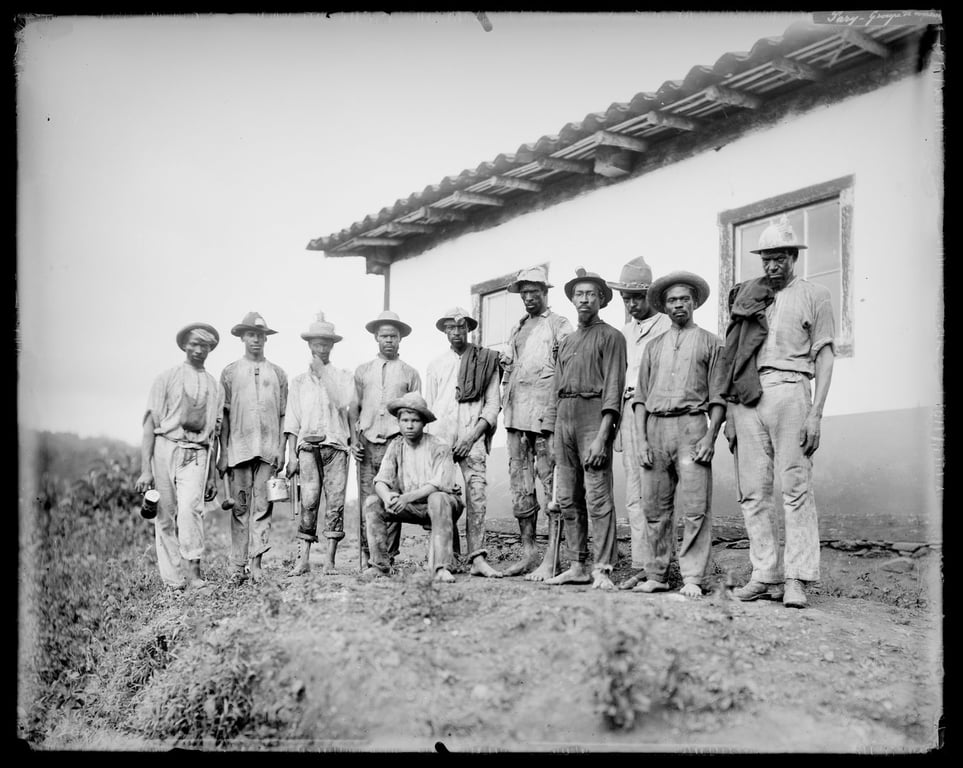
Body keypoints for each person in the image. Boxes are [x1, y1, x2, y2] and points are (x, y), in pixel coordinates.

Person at [723, 216, 836, 609]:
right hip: (749, 395)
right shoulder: (750, 295)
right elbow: (735, 354)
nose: (772, 266)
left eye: (779, 258)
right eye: (766, 259)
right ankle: (764, 573)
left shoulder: (814, 294)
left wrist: (816, 413)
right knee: (753, 493)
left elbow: (824, 355)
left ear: (793, 257)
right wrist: (731, 411)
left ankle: (796, 578)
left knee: (795, 489)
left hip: (791, 389)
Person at [631, 272, 725, 598]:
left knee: (696, 506)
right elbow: (640, 398)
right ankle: (656, 573)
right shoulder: (654, 347)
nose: (678, 305)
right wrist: (641, 440)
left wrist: (710, 438)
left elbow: (718, 398)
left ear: (694, 302)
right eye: (672, 301)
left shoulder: (711, 343)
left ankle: (693, 578)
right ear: (665, 307)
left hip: (692, 427)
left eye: (684, 299)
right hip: (656, 428)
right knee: (654, 508)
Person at [541, 269, 627, 590]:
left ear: (602, 299)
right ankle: (578, 564)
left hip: (593, 416)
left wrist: (604, 435)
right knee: (567, 497)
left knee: (598, 495)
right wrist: (551, 433)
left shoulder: (612, 337)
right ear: (572, 300)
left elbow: (614, 388)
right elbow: (555, 388)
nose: (585, 299)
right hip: (564, 418)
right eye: (579, 294)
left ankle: (603, 568)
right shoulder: (566, 342)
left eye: (591, 294)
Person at [135, 323, 225, 591]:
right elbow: (150, 425)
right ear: (184, 345)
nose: (199, 350)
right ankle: (173, 581)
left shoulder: (214, 386)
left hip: (197, 452)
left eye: (204, 345)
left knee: (190, 510)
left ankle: (194, 573)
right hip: (166, 447)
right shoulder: (167, 377)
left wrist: (212, 477)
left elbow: (214, 435)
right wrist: (145, 470)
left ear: (210, 349)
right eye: (194, 344)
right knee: (164, 515)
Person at [497, 266, 574, 578]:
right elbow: (508, 371)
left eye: (535, 292)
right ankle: (529, 552)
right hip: (516, 416)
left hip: (545, 416)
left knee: (551, 484)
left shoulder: (560, 325)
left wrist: (557, 414)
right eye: (524, 293)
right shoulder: (517, 329)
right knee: (520, 485)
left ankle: (553, 556)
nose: (529, 298)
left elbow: (568, 368)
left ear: (545, 293)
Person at [605, 257, 672, 591]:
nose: (631, 304)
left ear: (651, 295)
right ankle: (642, 564)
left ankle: (662, 566)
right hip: (630, 409)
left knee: (655, 490)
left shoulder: (666, 324)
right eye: (626, 298)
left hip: (658, 410)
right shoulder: (624, 333)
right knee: (633, 490)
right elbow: (620, 378)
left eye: (637, 297)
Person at [425, 307, 503, 578]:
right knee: (443, 496)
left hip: (474, 438)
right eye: (450, 327)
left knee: (477, 496)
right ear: (444, 330)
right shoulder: (436, 365)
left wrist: (471, 437)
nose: (456, 332)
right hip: (442, 440)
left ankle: (477, 558)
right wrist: (437, 441)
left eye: (461, 327)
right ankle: (446, 557)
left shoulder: (486, 361)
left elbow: (493, 405)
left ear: (469, 328)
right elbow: (431, 408)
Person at [284, 312, 358, 576]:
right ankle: (302, 560)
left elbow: (343, 402)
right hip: (307, 448)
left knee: (335, 502)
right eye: (317, 343)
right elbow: (292, 421)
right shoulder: (299, 382)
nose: (321, 348)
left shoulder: (342, 375)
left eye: (326, 343)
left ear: (332, 346)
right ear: (309, 345)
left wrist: (323, 374)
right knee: (309, 500)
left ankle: (330, 561)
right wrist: (291, 456)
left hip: (336, 446)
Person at [362, 392, 464, 583]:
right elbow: (381, 480)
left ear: (424, 423)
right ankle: (380, 566)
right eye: (405, 420)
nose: (409, 425)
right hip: (411, 506)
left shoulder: (438, 446)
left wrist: (405, 498)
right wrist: (387, 498)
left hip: (444, 505)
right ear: (398, 422)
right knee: (372, 502)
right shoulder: (396, 446)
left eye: (415, 420)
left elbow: (439, 484)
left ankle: (441, 568)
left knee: (438, 498)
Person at [217, 312, 288, 584]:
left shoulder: (278, 374)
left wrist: (282, 449)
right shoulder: (230, 372)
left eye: (260, 335)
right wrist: (223, 452)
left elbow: (284, 416)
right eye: (250, 335)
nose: (256, 339)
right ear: (242, 337)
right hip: (239, 449)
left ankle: (257, 563)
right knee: (239, 508)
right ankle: (238, 566)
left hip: (268, 449)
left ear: (265, 338)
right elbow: (223, 417)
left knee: (263, 507)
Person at [352, 310, 421, 569]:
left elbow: (415, 412)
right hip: (367, 442)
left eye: (393, 336)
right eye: (384, 336)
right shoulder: (362, 372)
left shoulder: (409, 373)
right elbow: (353, 409)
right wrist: (354, 440)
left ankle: (388, 557)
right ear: (376, 338)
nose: (389, 340)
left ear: (400, 339)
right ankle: (368, 556)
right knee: (367, 499)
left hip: (396, 442)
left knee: (392, 498)